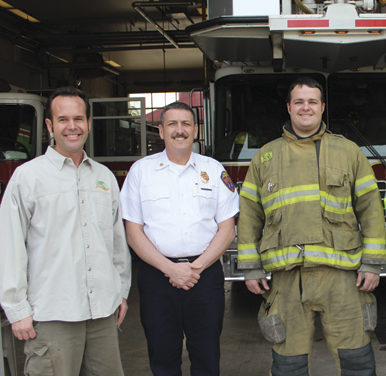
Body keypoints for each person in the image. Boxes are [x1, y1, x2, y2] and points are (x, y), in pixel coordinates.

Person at [237, 77, 386, 375]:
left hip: (342, 277)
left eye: (312, 102)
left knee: (355, 357)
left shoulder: (350, 152)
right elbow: (250, 215)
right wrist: (251, 267)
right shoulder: (265, 156)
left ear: (322, 108)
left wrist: (372, 264)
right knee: (288, 362)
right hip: (288, 278)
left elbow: (371, 210)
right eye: (299, 102)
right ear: (289, 107)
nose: (306, 108)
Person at [0, 86, 131, 376]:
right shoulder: (28, 178)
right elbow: (8, 246)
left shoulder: (104, 177)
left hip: (102, 314)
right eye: (63, 119)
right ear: (50, 125)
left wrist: (120, 291)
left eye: (78, 118)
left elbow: (117, 243)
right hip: (52, 314)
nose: (72, 127)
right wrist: (17, 309)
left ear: (88, 123)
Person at [120, 101, 239, 376]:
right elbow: (133, 232)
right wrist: (170, 269)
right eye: (172, 124)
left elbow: (227, 227)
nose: (179, 130)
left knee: (207, 356)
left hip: (205, 277)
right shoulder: (141, 171)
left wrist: (195, 268)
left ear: (196, 130)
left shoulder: (213, 169)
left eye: (186, 124)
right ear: (161, 131)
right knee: (162, 357)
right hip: (157, 279)